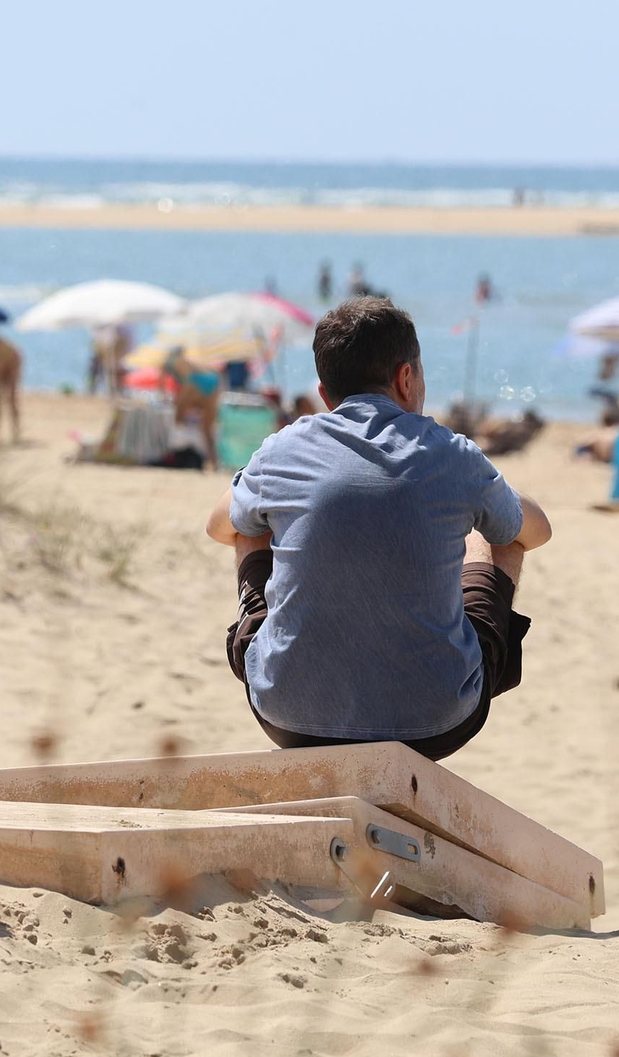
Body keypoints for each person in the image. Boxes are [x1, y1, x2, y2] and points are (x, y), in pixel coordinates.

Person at [204, 297, 552, 761]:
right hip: (436, 724)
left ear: (326, 395)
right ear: (406, 378)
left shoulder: (283, 449)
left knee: (250, 524)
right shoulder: (454, 455)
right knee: (496, 534)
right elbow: (537, 530)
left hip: (288, 717)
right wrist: (486, 499)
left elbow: (216, 525)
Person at [162, 348, 221, 470]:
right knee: (206, 429)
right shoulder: (190, 361)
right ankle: (214, 462)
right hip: (213, 382)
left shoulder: (175, 361)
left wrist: (180, 400)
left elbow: (187, 379)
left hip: (196, 382)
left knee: (178, 418)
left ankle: (172, 452)